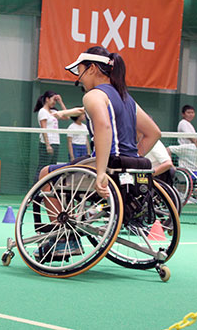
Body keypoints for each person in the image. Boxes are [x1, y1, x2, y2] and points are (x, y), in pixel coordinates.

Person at [40, 46, 161, 256]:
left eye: (80, 70)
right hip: (129, 167)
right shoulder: (126, 98)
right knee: (67, 173)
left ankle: (64, 239)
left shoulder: (94, 95)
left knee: (46, 175)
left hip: (108, 164)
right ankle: (71, 224)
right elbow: (153, 133)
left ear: (93, 68)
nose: (79, 77)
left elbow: (104, 127)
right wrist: (133, 158)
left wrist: (102, 171)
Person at [33, 90, 67, 182]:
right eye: (53, 99)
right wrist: (48, 145)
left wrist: (60, 102)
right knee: (43, 167)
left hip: (56, 142)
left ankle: (47, 189)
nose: (54, 102)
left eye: (56, 100)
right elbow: (44, 129)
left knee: (52, 167)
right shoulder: (42, 112)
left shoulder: (54, 111)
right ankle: (35, 190)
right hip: (46, 144)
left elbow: (66, 117)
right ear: (47, 99)